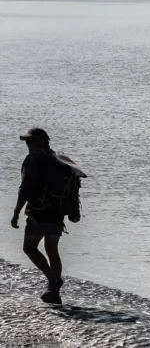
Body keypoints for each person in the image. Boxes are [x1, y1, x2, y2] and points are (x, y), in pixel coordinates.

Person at [10, 127, 66, 304]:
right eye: (27, 141)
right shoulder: (58, 158)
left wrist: (16, 212)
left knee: (29, 247)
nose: (27, 144)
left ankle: (53, 281)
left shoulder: (33, 159)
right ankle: (54, 293)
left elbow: (25, 188)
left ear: (40, 141)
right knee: (52, 250)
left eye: (30, 140)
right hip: (57, 213)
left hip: (38, 213)